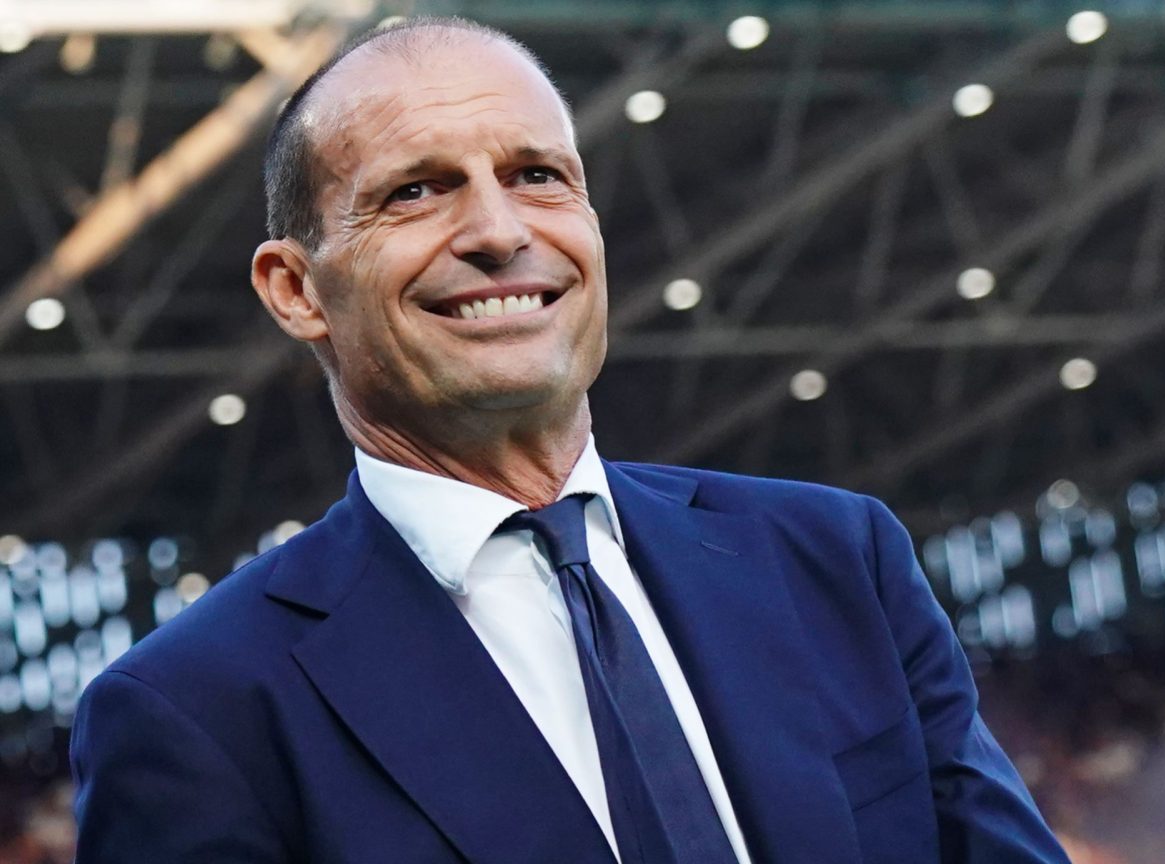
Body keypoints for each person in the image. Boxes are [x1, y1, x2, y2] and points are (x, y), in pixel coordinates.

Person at [69, 17, 1070, 864]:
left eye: (537, 175)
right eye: (416, 191)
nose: (499, 231)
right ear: (296, 289)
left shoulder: (836, 561)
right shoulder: (196, 711)